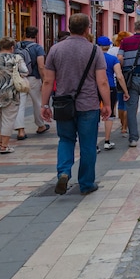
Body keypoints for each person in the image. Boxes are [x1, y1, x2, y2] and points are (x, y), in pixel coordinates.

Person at [41, 13, 111, 195]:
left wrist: (44, 104)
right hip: (88, 104)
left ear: (69, 28)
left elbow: (48, 81)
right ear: (88, 28)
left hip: (63, 104)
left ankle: (63, 172)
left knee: (66, 140)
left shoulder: (55, 49)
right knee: (88, 145)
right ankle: (86, 183)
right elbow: (102, 81)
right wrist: (107, 104)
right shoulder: (95, 50)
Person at [14, 26, 49, 139]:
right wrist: (44, 80)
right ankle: (40, 125)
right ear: (36, 35)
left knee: (20, 104)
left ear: (25, 33)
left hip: (19, 78)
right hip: (33, 78)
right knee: (37, 102)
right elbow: (41, 65)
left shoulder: (17, 46)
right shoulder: (38, 48)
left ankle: (20, 130)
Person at [97, 36, 128, 151]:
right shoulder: (113, 59)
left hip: (94, 88)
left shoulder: (93, 58)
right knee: (109, 113)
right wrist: (125, 91)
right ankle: (107, 141)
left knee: (94, 114)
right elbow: (119, 76)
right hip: (110, 87)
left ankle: (94, 144)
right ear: (109, 46)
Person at [112, 31, 132, 134]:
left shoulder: (112, 50)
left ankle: (121, 124)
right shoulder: (127, 49)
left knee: (120, 103)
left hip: (114, 79)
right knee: (127, 102)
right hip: (126, 77)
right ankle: (125, 126)